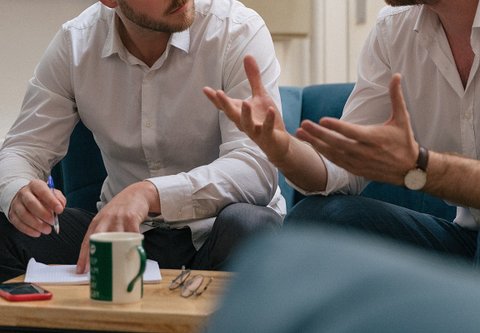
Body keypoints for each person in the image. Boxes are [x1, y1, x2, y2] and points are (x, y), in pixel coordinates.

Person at [0, 0, 285, 282]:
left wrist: (149, 193)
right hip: (123, 238)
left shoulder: (237, 30)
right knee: (6, 230)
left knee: (250, 225)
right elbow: (22, 149)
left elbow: (257, 167)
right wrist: (19, 192)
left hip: (219, 232)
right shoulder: (75, 43)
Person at [204, 0, 480, 266]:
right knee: (317, 220)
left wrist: (419, 166)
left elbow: (415, 166)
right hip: (465, 238)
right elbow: (344, 169)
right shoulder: (393, 29)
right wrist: (283, 149)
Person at [205, 226, 480, 333]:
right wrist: (286, 152)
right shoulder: (397, 81)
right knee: (318, 214)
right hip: (460, 227)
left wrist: (425, 166)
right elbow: (335, 171)